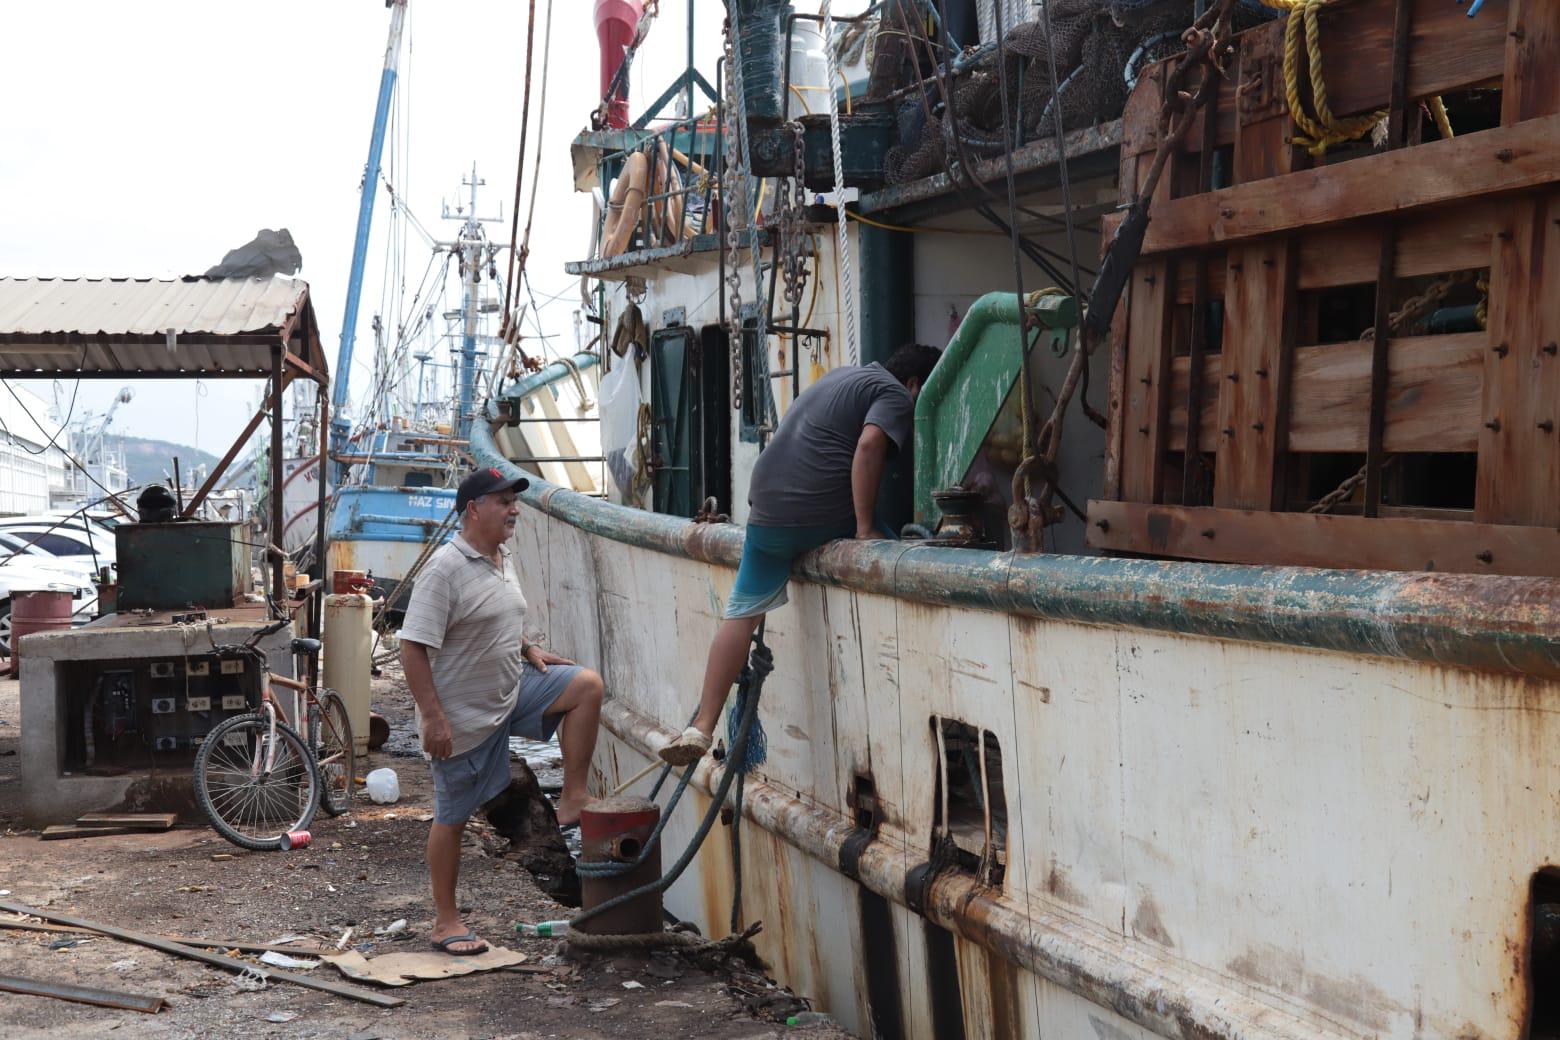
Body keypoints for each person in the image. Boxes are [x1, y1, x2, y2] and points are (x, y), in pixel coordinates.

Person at [659, 343, 943, 766]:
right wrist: (865, 530)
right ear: (916, 383)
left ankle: (700, 726)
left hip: (765, 512)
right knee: (894, 550)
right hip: (812, 512)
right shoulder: (896, 394)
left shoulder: (843, 376)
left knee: (740, 616)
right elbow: (868, 448)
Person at [400, 466, 605, 956]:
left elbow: (493, 616)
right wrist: (432, 717)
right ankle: (445, 922)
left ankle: (572, 797)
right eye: (502, 501)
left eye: (514, 501)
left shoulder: (500, 557)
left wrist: (526, 647)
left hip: (508, 693)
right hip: (463, 718)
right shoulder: (445, 569)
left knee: (585, 686)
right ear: (473, 509)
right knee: (451, 818)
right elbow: (412, 647)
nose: (514, 509)